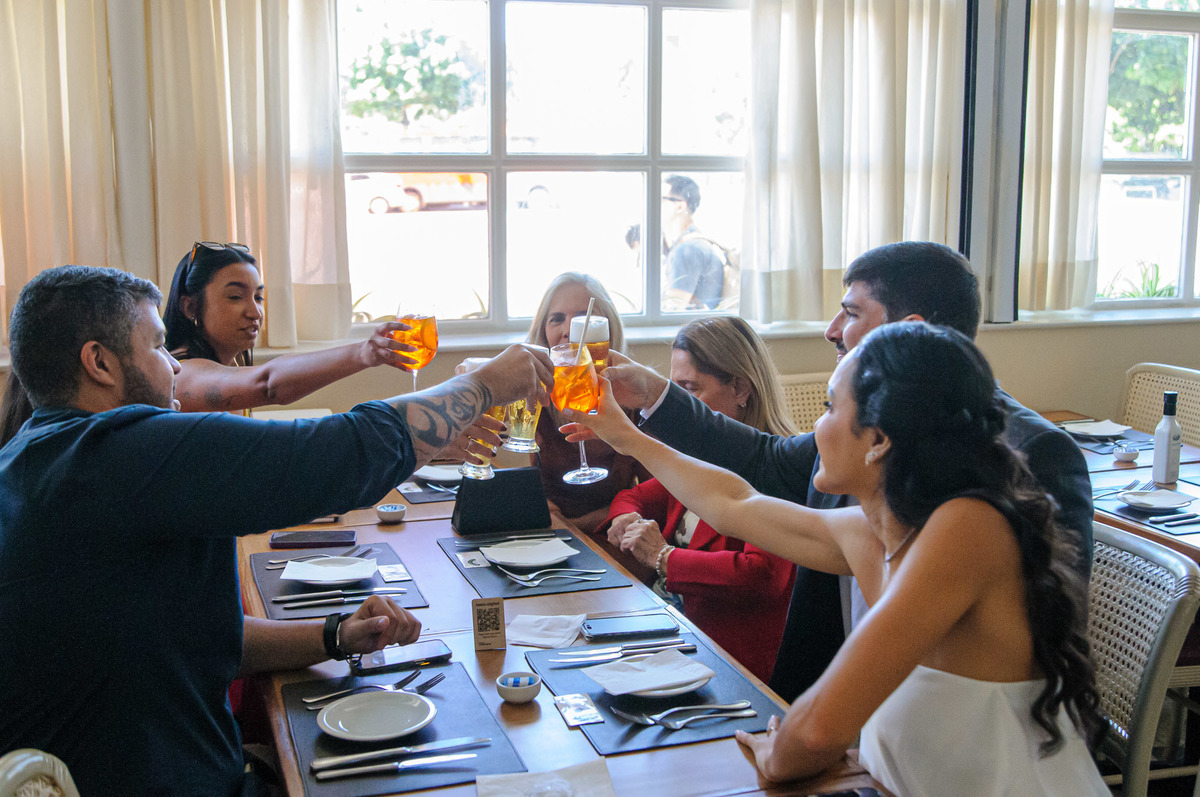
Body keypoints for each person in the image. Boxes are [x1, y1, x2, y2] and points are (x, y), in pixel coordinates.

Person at [0, 265, 550, 795]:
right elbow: (340, 453)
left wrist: (333, 636)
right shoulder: (118, 454)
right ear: (99, 362)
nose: (173, 366)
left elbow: (198, 634)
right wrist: (484, 384)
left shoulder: (38, 459)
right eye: (158, 346)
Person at [569, 322, 1106, 795]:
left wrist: (777, 753)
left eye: (829, 407)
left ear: (877, 440)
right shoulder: (872, 533)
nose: (816, 427)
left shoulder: (969, 528)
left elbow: (818, 730)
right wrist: (626, 435)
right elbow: (735, 503)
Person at [576, 241, 1093, 703]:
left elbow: (1032, 647)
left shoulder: (1029, 461)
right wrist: (640, 414)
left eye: (850, 312)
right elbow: (746, 486)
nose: (831, 331)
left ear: (908, 331)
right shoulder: (859, 467)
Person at [600, 316, 797, 682]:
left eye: (689, 390)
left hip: (732, 658)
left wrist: (665, 557)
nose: (678, 403)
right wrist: (624, 518)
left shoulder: (777, 466)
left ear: (740, 389)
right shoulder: (701, 461)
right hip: (677, 633)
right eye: (672, 389)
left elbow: (764, 574)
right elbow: (634, 496)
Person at [163, 241, 411, 413]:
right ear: (190, 307)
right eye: (235, 297)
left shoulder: (221, 367)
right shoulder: (182, 374)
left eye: (258, 297)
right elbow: (268, 384)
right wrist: (363, 353)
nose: (254, 312)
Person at [524, 273, 649, 532]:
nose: (568, 330)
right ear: (543, 331)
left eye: (583, 318)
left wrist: (579, 527)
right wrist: (553, 519)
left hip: (619, 533)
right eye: (557, 319)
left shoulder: (634, 397)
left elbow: (651, 497)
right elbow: (538, 489)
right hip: (555, 534)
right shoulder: (538, 400)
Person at [662, 175, 726, 311]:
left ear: (680, 206)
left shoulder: (687, 250)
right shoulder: (689, 244)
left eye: (660, 199)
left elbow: (673, 309)